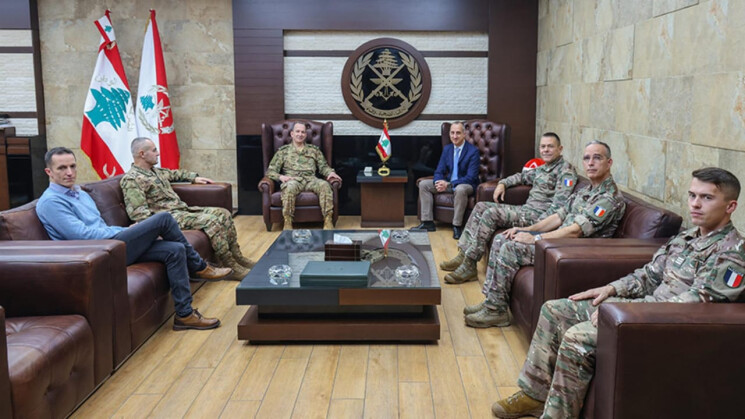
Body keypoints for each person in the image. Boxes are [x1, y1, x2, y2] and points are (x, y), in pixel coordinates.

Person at [492, 167, 745, 418]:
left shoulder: (733, 252)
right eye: (692, 195)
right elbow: (648, 275)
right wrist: (611, 289)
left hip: (664, 326)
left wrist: (625, 311)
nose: (695, 204)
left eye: (707, 198)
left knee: (577, 336)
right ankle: (534, 396)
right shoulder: (686, 238)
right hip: (642, 309)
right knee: (554, 311)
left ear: (730, 206)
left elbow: (698, 302)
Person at [36, 147, 230, 331]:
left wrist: (125, 230)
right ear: (48, 172)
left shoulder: (79, 193)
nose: (69, 172)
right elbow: (82, 236)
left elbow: (99, 226)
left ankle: (184, 315)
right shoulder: (51, 202)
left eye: (72, 166)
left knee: (174, 249)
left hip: (111, 244)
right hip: (96, 254)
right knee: (163, 219)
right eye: (62, 168)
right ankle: (198, 266)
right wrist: (123, 231)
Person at [465, 140, 625, 328]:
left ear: (609, 162)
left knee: (510, 248)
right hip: (558, 241)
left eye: (597, 158)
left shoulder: (609, 198)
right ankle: (492, 302)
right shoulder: (586, 190)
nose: (590, 163)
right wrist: (525, 230)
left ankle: (495, 312)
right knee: (503, 238)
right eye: (587, 158)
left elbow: (576, 231)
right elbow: (558, 217)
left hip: (574, 251)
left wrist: (536, 238)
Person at [441, 132, 577, 283]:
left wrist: (535, 228)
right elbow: (520, 177)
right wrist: (503, 183)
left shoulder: (565, 172)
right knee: (480, 206)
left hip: (538, 218)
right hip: (526, 210)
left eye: (550, 146)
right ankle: (463, 254)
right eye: (543, 147)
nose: (545, 150)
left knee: (491, 214)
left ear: (560, 149)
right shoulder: (543, 168)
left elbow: (559, 207)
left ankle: (469, 265)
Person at [121, 137, 254, 280]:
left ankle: (237, 257)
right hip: (167, 219)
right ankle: (230, 264)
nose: (158, 153)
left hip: (181, 210)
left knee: (224, 213)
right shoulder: (132, 180)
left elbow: (174, 174)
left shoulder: (155, 171)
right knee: (210, 221)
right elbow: (139, 214)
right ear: (142, 154)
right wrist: (156, 230)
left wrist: (193, 178)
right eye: (154, 150)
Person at [265, 122, 341, 230]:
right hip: (293, 180)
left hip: (311, 180)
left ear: (306, 135)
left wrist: (330, 173)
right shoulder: (283, 152)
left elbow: (323, 167)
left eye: (303, 132)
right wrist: (281, 177)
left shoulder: (314, 150)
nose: (300, 134)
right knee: (289, 187)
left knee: (324, 185)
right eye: (297, 131)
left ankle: (328, 220)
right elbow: (270, 171)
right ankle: (287, 222)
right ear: (292, 134)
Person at [410, 121, 480, 239]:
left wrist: (448, 184)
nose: (455, 136)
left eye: (458, 133)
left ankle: (457, 226)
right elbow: (439, 170)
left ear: (464, 134)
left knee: (460, 189)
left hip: (466, 184)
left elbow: (471, 177)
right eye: (452, 133)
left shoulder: (473, 151)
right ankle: (427, 222)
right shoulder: (448, 149)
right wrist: (438, 182)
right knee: (424, 184)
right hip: (448, 183)